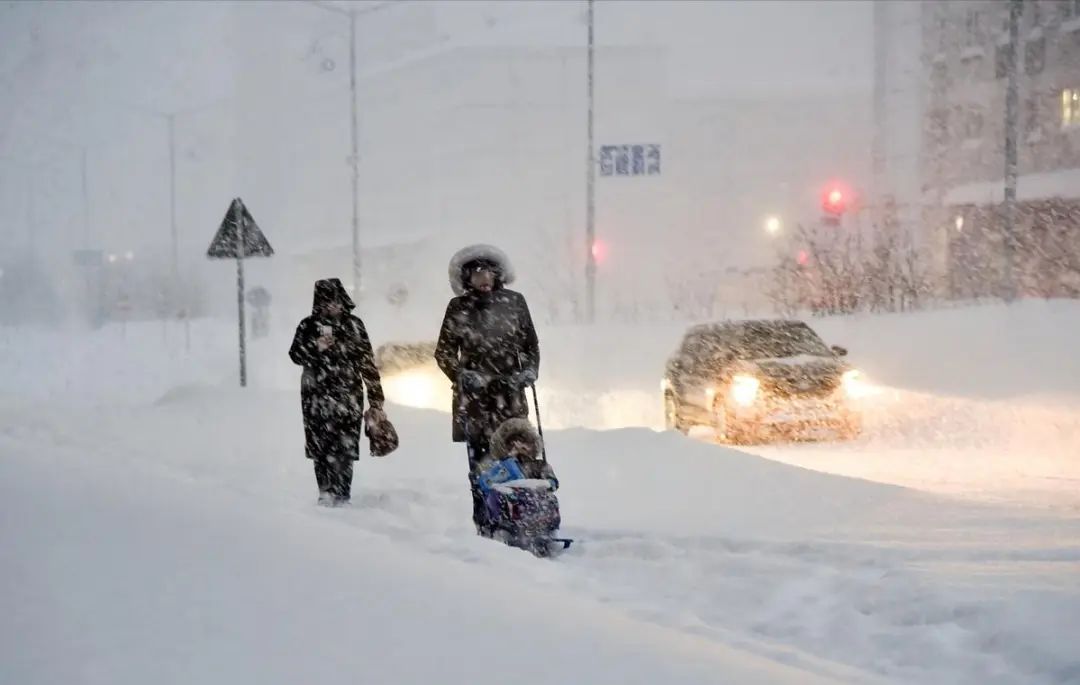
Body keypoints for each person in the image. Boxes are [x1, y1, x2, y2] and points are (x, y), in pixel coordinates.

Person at [434, 244, 540, 533]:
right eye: (477, 273)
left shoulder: (515, 302)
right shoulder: (458, 308)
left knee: (518, 456)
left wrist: (529, 371)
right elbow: (443, 353)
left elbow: (530, 344)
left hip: (510, 396)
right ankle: (486, 520)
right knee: (482, 463)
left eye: (488, 273)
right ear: (466, 278)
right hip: (476, 401)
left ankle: (522, 516)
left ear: (497, 275)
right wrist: (462, 375)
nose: (483, 279)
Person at [289, 278, 384, 506]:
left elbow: (367, 364)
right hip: (315, 396)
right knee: (320, 446)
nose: (332, 306)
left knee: (346, 446)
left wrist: (376, 400)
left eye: (335, 301)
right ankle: (325, 491)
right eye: (326, 302)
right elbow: (294, 355)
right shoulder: (307, 326)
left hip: (348, 395)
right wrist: (315, 347)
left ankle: (342, 494)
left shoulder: (354, 325)